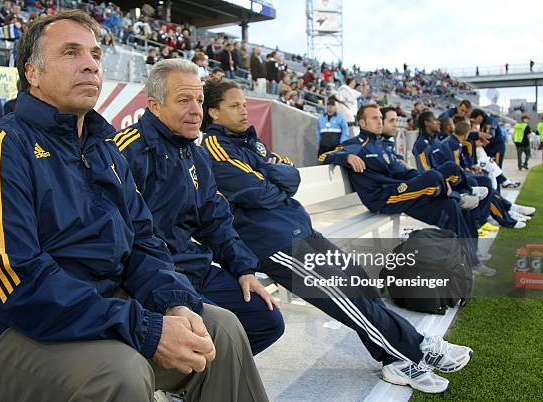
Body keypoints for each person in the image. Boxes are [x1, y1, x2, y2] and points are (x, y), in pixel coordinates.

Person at [0, 11, 268, 402]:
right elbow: (14, 283)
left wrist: (173, 303)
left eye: (95, 54)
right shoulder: (1, 149)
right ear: (33, 73)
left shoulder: (105, 151)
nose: (91, 64)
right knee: (120, 373)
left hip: (98, 308)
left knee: (220, 331)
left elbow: (144, 244)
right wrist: (142, 327)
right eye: (71, 53)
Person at [201, 80, 475, 394]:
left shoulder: (252, 142)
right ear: (214, 112)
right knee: (344, 296)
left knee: (356, 279)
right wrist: (271, 176)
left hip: (297, 228)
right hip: (271, 242)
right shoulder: (213, 147)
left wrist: (271, 175)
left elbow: (291, 175)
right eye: (234, 106)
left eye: (245, 104)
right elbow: (256, 192)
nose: (243, 110)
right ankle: (417, 349)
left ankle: (394, 360)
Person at [114, 59, 284, 356]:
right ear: (154, 106)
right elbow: (124, 241)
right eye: (184, 100)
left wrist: (243, 269)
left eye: (200, 100)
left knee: (266, 320)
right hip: (150, 276)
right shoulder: (126, 151)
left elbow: (215, 219)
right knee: (220, 330)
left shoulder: (196, 154)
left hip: (193, 268)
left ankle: (189, 384)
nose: (196, 110)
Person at [320, 104, 494, 276]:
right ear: (362, 123)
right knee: (434, 178)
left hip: (401, 193)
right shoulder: (356, 145)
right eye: (374, 118)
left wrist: (419, 179)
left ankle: (471, 258)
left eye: (380, 118)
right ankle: (459, 196)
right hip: (384, 199)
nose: (380, 121)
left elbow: (403, 171)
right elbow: (324, 156)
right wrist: (347, 156)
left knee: (449, 192)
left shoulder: (380, 146)